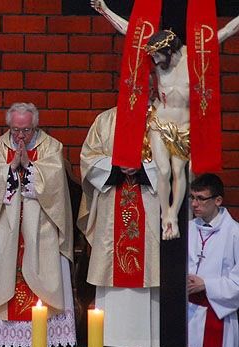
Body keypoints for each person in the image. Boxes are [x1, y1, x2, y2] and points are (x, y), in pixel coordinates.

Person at [91, 0, 239, 240]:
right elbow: (130, 32)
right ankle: (165, 216)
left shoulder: (196, 56)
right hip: (161, 122)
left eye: (159, 56)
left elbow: (228, 30)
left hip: (184, 126)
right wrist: (105, 10)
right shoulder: (158, 61)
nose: (155, 62)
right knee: (162, 169)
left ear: (170, 51)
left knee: (180, 171)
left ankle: (174, 216)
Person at [0, 103, 76, 347]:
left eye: (26, 130)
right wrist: (9, 169)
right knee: (7, 273)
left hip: (42, 229)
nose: (20, 136)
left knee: (44, 274)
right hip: (8, 228)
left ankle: (46, 338)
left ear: (35, 126)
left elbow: (55, 186)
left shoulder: (51, 147)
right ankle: (10, 340)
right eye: (15, 130)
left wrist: (30, 168)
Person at [77, 107, 161, 347]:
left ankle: (150, 342)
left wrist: (143, 167)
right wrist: (116, 165)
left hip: (150, 202)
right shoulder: (105, 120)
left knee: (150, 266)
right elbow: (88, 157)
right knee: (111, 268)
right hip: (112, 201)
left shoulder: (165, 118)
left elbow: (179, 161)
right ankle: (111, 341)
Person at [187, 174, 239, 347]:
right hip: (187, 315)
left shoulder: (234, 233)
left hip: (217, 315)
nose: (194, 204)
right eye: (192, 198)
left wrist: (205, 284)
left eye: (201, 198)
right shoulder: (187, 229)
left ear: (218, 200)